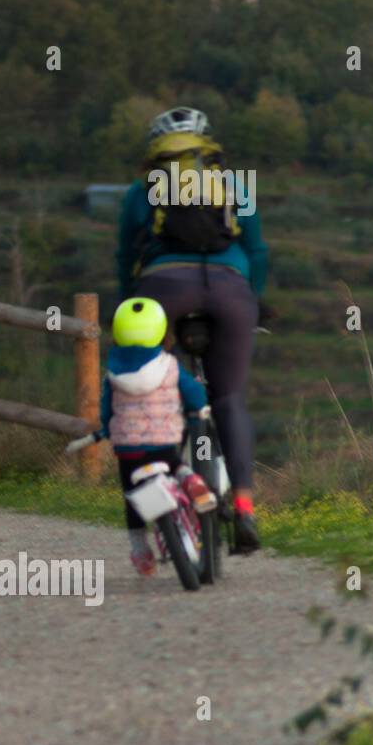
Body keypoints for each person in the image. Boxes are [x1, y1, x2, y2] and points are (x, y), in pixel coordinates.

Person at [114, 106, 267, 553]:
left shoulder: (140, 191)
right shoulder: (236, 185)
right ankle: (244, 505)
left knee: (157, 391)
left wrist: (128, 304)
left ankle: (166, 495)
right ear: (208, 147)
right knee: (229, 398)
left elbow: (126, 257)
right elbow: (257, 250)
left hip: (164, 290)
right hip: (231, 291)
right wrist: (254, 300)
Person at [82, 297, 218, 576]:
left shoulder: (112, 372)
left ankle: (140, 550)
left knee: (132, 496)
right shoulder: (169, 365)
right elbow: (192, 393)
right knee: (175, 464)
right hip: (164, 441)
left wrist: (108, 428)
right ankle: (190, 479)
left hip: (128, 449)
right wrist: (199, 404)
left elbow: (106, 410)